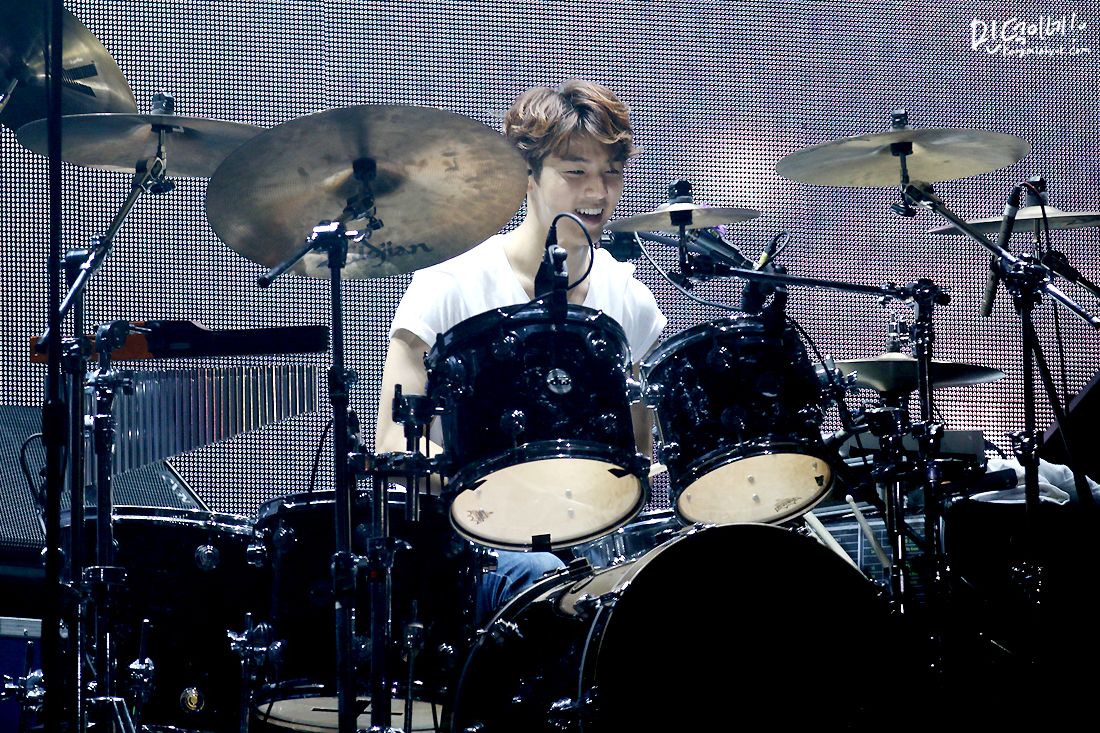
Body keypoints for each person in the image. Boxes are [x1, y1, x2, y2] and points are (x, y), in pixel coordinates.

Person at [374, 79, 667, 623]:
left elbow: (637, 451)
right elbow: (393, 443)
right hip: (473, 545)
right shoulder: (448, 285)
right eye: (575, 172)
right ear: (527, 175)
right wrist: (510, 492)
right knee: (540, 576)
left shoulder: (630, 299)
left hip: (593, 538)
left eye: (611, 173)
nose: (598, 192)